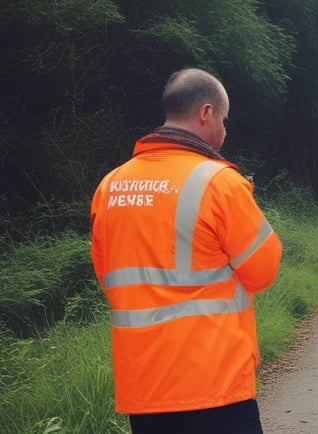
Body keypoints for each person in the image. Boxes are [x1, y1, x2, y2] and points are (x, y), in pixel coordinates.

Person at [90, 68, 283, 434]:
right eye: (224, 120)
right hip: (215, 384)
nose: (224, 133)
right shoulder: (219, 182)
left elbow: (107, 275)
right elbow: (263, 269)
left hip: (144, 389)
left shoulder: (110, 186)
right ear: (206, 113)